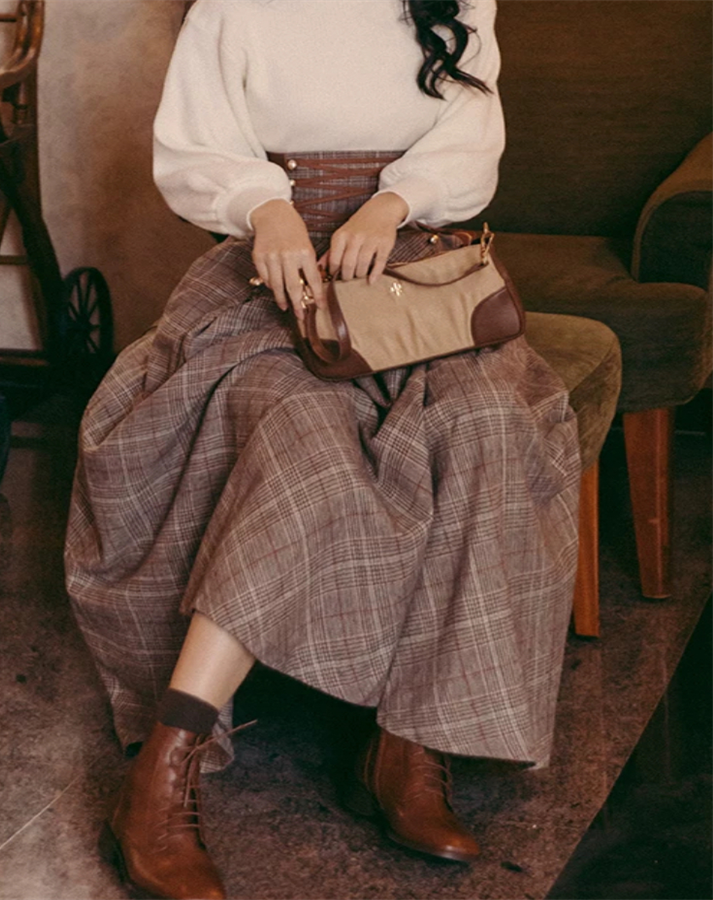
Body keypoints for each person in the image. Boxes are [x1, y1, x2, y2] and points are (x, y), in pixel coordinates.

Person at [65, 2, 581, 898]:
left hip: (420, 286)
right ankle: (160, 776)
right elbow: (193, 143)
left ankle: (408, 751)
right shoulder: (234, 6)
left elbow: (473, 138)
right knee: (302, 439)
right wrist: (264, 208)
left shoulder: (460, 3)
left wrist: (392, 203)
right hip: (275, 286)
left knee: (489, 426)